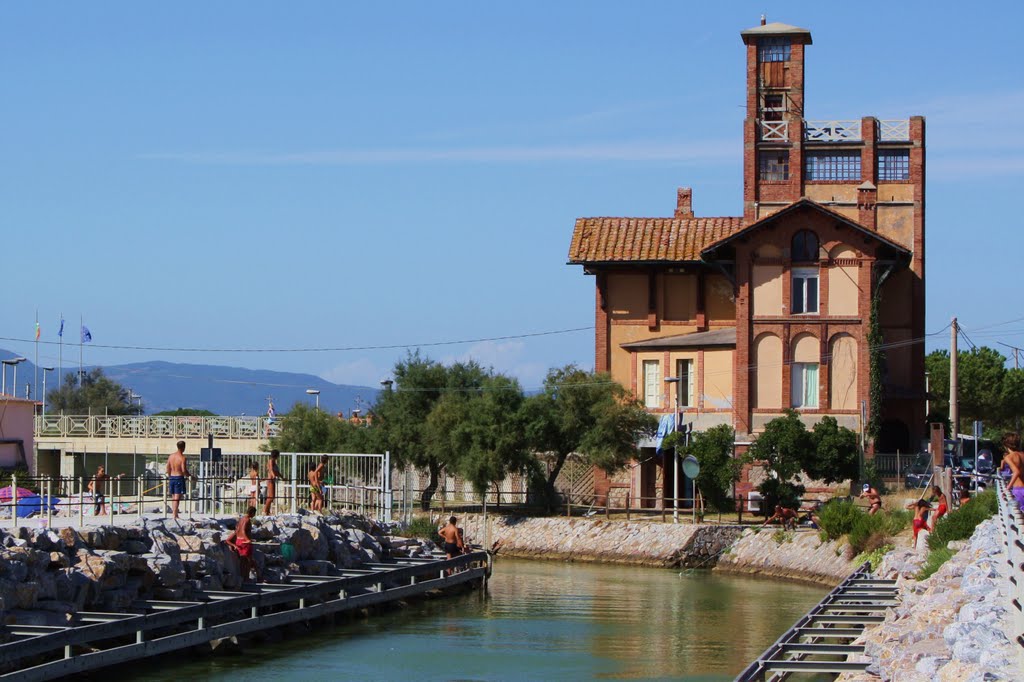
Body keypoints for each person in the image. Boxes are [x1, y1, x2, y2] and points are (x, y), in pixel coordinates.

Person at [225, 506, 260, 583]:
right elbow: (243, 531)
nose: (254, 515)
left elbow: (238, 530)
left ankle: (243, 578)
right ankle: (247, 578)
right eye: (254, 513)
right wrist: (247, 539)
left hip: (239, 541)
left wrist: (234, 544)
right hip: (245, 543)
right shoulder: (247, 520)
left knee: (243, 561)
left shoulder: (241, 519)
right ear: (252, 513)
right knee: (248, 561)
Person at [166, 441, 194, 520]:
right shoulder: (182, 458)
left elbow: (168, 467)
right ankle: (175, 515)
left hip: (172, 477)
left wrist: (169, 476)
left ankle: (175, 514)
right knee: (177, 497)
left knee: (173, 496)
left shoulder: (171, 456)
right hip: (179, 477)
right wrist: (190, 476)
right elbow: (184, 470)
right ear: (183, 447)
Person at [1003, 433, 1024, 512]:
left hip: (1018, 490)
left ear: (1006, 446)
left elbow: (1016, 472)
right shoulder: (1022, 454)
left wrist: (1007, 488)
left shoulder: (1008, 457)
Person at [263, 450, 281, 516]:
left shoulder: (274, 462)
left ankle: (267, 511)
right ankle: (264, 510)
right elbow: (270, 469)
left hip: (273, 480)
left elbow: (277, 472)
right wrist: (273, 475)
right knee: (270, 497)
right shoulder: (270, 461)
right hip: (270, 480)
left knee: (272, 497)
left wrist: (282, 477)